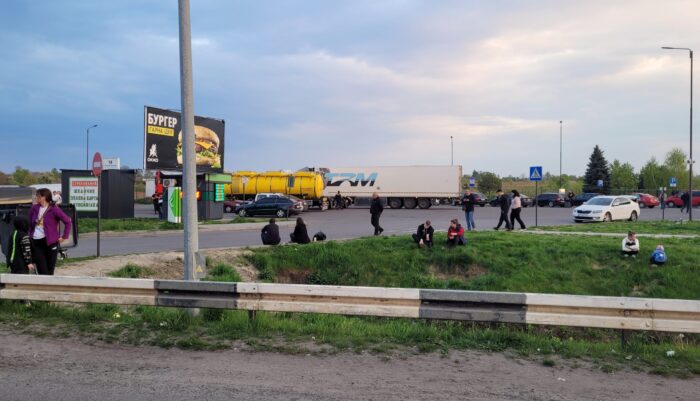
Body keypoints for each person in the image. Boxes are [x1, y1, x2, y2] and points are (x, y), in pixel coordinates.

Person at [29, 188, 72, 275]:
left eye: (38, 196)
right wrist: (30, 231)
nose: (36, 197)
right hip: (36, 241)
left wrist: (64, 236)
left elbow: (68, 221)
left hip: (50, 242)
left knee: (50, 268)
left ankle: (49, 286)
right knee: (42, 269)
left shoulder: (54, 209)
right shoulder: (34, 208)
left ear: (44, 197)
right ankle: (43, 286)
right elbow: (29, 222)